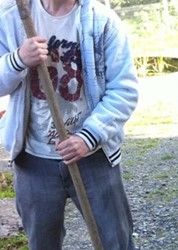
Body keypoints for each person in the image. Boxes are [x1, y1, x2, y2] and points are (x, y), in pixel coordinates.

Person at [0, 0, 138, 248]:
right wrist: (18, 59)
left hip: (93, 157)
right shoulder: (11, 17)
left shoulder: (103, 22)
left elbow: (124, 91)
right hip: (33, 159)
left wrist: (89, 137)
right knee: (42, 244)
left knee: (114, 241)